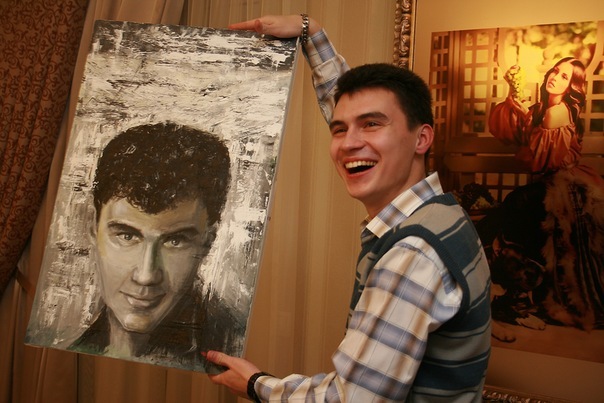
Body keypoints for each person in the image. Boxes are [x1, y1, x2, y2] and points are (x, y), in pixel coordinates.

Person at [205, 16, 492, 402]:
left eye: (371, 125)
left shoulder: (412, 255)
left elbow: (353, 398)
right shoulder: (442, 214)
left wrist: (257, 385)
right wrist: (310, 33)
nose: (348, 143)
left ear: (422, 138)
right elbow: (357, 118)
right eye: (339, 130)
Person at [68, 122, 246, 371]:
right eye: (127, 236)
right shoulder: (74, 350)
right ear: (91, 226)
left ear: (208, 241)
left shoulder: (232, 348)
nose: (146, 275)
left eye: (175, 241)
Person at [488, 57, 604, 330]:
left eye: (564, 76)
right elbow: (510, 134)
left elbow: (539, 160)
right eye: (555, 70)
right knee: (517, 206)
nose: (555, 76)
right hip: (548, 183)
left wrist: (525, 120)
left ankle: (515, 296)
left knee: (517, 204)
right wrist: (515, 100)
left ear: (572, 87)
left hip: (566, 188)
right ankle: (515, 295)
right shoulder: (541, 109)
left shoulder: (558, 112)